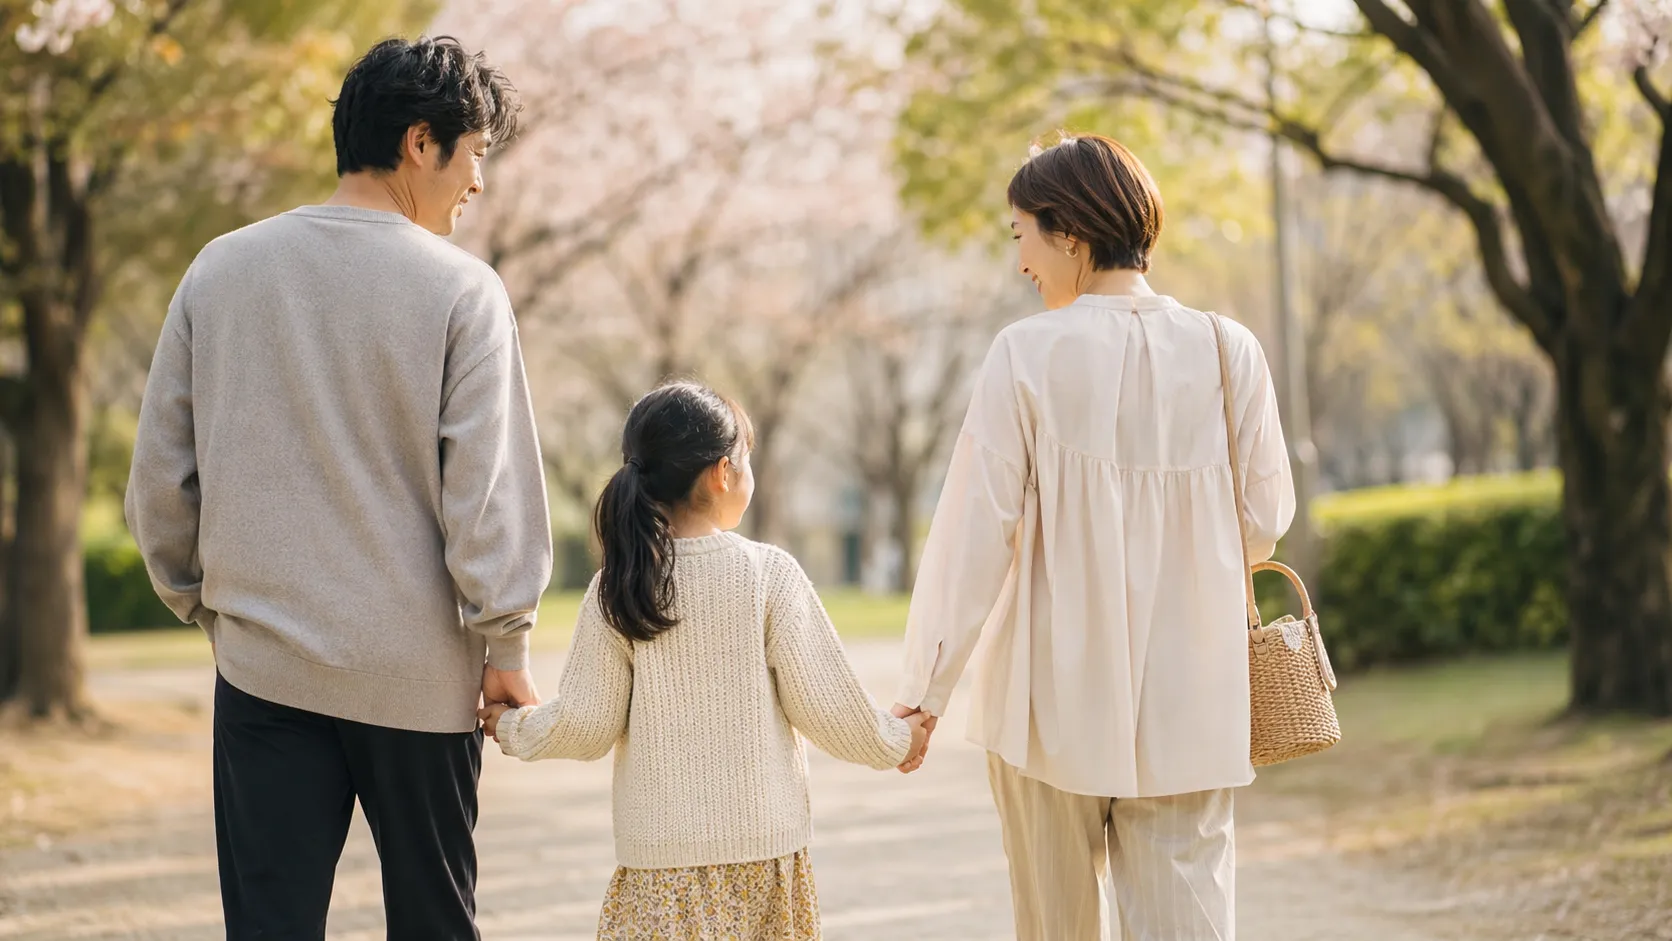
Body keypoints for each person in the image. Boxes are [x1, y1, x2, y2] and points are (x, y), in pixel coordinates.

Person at [125, 36, 548, 941]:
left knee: (269, 926)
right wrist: (504, 641)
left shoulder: (220, 268)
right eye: (474, 154)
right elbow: (486, 494)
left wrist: (205, 604)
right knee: (435, 925)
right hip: (419, 680)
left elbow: (162, 478)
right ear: (420, 142)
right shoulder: (463, 292)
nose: (476, 183)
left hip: (264, 668)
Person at [891, 133, 1296, 940]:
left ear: (1068, 231)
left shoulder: (1026, 353)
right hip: (1192, 694)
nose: (1022, 264)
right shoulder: (1230, 349)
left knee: (1055, 926)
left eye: (1023, 238)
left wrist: (924, 692)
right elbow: (1265, 521)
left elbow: (974, 538)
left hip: (1047, 700)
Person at [479, 382, 929, 941]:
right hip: (762, 863)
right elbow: (829, 710)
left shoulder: (616, 588)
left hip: (657, 875)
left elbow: (587, 726)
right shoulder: (767, 575)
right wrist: (897, 740)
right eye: (747, 462)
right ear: (721, 473)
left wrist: (515, 727)